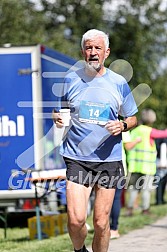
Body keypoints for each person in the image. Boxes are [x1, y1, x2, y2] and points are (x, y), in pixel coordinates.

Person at [53, 29, 138, 252]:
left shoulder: (118, 82)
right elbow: (61, 110)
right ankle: (79, 250)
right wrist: (57, 118)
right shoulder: (71, 78)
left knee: (101, 222)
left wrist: (123, 125)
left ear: (106, 52)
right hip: (77, 157)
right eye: (89, 48)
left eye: (97, 48)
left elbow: (133, 117)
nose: (93, 52)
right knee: (75, 220)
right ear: (83, 51)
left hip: (109, 159)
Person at [126, 109, 167, 216]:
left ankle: (130, 209)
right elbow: (163, 134)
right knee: (146, 189)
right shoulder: (149, 131)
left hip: (135, 166)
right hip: (147, 166)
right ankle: (145, 210)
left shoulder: (134, 131)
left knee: (134, 189)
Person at [110, 131, 141, 239]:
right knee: (116, 199)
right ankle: (113, 228)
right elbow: (128, 146)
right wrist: (136, 141)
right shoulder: (121, 125)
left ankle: (103, 228)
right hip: (117, 166)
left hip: (98, 166)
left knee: (102, 198)